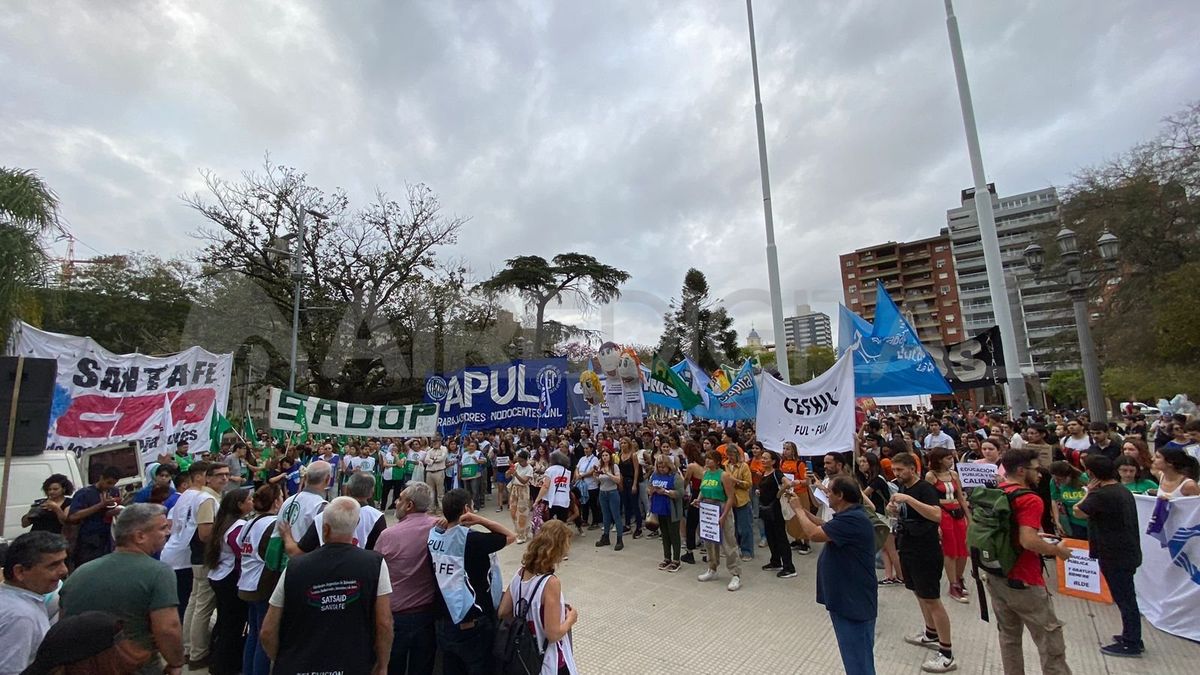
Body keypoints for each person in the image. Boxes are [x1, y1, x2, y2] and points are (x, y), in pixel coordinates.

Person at [261, 497, 393, 675]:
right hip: (353, 664)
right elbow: (384, 623)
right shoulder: (375, 564)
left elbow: (268, 630)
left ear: (325, 528)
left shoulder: (295, 567)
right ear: (356, 525)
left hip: (299, 664)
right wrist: (383, 665)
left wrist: (283, 659)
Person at [59, 503, 183, 675]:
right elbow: (168, 628)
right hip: (133, 664)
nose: (167, 533)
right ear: (140, 536)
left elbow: (63, 622)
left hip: (82, 665)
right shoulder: (159, 572)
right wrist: (175, 663)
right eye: (162, 528)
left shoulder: (81, 572)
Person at [984, 449, 1073, 675]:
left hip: (997, 576)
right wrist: (1057, 551)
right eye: (1036, 469)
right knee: (1050, 640)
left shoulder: (995, 492)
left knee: (1009, 637)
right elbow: (1028, 540)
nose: (1040, 474)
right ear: (1022, 471)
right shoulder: (1030, 499)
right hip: (1025, 579)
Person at [790, 476, 878, 675]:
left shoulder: (853, 520)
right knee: (854, 657)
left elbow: (814, 534)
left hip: (853, 603)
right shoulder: (849, 516)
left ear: (841, 496)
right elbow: (824, 526)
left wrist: (797, 509)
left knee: (858, 662)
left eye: (829, 491)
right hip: (845, 599)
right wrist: (804, 512)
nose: (826, 494)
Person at [427, 489, 516, 674]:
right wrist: (481, 520)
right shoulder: (472, 539)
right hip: (472, 621)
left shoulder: (434, 537)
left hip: (443, 619)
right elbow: (510, 536)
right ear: (467, 509)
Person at [887, 452, 956, 673]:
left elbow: (936, 515)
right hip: (908, 545)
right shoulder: (903, 488)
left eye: (900, 470)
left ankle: (947, 653)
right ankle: (930, 632)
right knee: (919, 593)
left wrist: (908, 500)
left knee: (932, 599)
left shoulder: (924, 489)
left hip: (925, 550)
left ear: (912, 468)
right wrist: (895, 509)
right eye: (894, 471)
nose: (896, 475)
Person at [1075, 455, 1145, 658]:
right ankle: (1130, 635)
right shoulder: (1121, 490)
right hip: (1126, 551)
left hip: (1114, 554)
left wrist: (1088, 492)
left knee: (1125, 599)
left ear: (1091, 474)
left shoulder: (1102, 495)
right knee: (1126, 597)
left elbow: (1078, 511)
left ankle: (1131, 642)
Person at [373, 482, 440, 675]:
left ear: (409, 505)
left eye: (400, 498)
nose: (396, 501)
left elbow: (375, 573)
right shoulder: (438, 527)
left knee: (393, 666)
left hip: (396, 615)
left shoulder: (388, 535)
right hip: (427, 613)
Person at [497, 520, 579, 675]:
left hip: (522, 656)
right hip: (547, 660)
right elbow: (553, 633)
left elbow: (503, 611)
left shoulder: (520, 574)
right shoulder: (551, 583)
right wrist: (570, 619)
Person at [0, 532, 69, 674]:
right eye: (53, 565)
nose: (64, 570)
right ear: (20, 571)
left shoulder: (13, 601)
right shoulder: (21, 617)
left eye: (63, 562)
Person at [182, 461, 228, 669]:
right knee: (203, 606)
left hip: (199, 558)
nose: (225, 478)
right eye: (219, 475)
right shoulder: (207, 499)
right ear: (207, 477)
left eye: (227, 475)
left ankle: (189, 647)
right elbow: (205, 533)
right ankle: (198, 653)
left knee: (196, 602)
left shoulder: (206, 497)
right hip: (206, 558)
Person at [204, 488, 252, 675]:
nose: (252, 501)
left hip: (218, 575)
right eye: (249, 499)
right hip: (230, 578)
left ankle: (216, 659)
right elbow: (242, 553)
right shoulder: (237, 527)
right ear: (239, 505)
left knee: (224, 622)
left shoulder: (223, 523)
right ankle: (226, 665)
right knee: (233, 625)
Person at [237, 484, 283, 675]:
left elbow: (241, 544)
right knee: (265, 636)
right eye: (280, 497)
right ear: (275, 502)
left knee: (253, 635)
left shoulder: (250, 522)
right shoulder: (273, 524)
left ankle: (249, 670)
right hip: (262, 586)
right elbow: (272, 557)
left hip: (247, 583)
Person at [289, 471, 387, 554]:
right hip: (361, 569)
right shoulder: (376, 517)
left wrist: (286, 536)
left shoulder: (325, 514)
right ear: (371, 493)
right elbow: (380, 550)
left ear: (347, 489)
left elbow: (303, 548)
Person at [925, 448, 970, 604]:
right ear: (939, 460)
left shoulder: (954, 475)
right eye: (948, 458)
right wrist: (935, 523)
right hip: (943, 514)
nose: (951, 461)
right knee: (950, 550)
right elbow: (930, 500)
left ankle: (959, 577)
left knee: (963, 549)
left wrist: (969, 518)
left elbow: (961, 498)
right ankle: (953, 584)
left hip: (958, 512)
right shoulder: (931, 476)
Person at [694, 449, 742, 592]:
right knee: (709, 541)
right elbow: (703, 489)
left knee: (728, 542)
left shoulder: (724, 475)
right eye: (706, 458)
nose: (707, 461)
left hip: (721, 508)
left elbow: (731, 497)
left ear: (717, 461)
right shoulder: (705, 473)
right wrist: (698, 499)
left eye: (711, 459)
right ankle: (712, 568)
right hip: (707, 508)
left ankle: (735, 574)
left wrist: (723, 516)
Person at [270, 460, 331, 566]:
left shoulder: (288, 500)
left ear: (306, 477)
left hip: (282, 564)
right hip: (304, 564)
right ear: (328, 480)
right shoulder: (322, 507)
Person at [65, 466, 121, 568]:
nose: (110, 486)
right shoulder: (84, 493)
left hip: (108, 538)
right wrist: (100, 505)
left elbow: (106, 513)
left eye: (113, 484)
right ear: (101, 478)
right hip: (88, 539)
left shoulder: (113, 491)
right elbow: (73, 516)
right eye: (108, 483)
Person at [756, 450, 796, 579]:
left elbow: (788, 483)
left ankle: (789, 567)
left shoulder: (776, 473)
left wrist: (779, 494)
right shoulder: (764, 473)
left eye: (766, 458)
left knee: (780, 537)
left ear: (773, 461)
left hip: (775, 509)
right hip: (765, 508)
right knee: (770, 536)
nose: (762, 460)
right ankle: (775, 561)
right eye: (762, 458)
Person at [648, 455, 684, 571]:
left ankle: (676, 560)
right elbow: (648, 489)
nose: (661, 469)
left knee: (674, 534)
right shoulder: (654, 475)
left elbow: (680, 493)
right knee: (664, 534)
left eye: (664, 467)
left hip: (671, 509)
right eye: (659, 466)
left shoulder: (675, 476)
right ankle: (667, 557)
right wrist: (651, 490)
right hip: (659, 509)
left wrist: (666, 492)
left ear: (669, 466)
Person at [725, 444, 754, 561]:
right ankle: (734, 548)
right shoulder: (725, 465)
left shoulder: (744, 466)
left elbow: (748, 484)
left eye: (732, 455)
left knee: (744, 527)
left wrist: (736, 481)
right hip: (729, 500)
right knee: (732, 527)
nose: (730, 457)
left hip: (741, 500)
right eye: (728, 455)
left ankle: (747, 550)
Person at [1048, 461, 1088, 539]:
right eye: (1054, 479)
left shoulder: (1084, 478)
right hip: (1073, 522)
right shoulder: (1055, 482)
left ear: (1069, 476)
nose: (1057, 481)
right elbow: (1055, 501)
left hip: (1089, 521)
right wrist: (1057, 521)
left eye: (1059, 479)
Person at [536, 451, 574, 524]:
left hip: (551, 501)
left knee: (547, 524)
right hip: (564, 501)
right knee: (562, 525)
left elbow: (545, 486)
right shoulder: (567, 472)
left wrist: (537, 500)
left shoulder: (550, 470)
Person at [508, 450, 535, 544]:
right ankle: (519, 531)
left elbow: (524, 481)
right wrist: (509, 472)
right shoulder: (516, 465)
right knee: (513, 511)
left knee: (522, 513)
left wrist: (516, 474)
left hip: (523, 490)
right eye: (518, 460)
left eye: (521, 460)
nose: (519, 462)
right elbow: (508, 475)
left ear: (525, 459)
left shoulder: (529, 468)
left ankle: (522, 535)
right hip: (514, 489)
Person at [574, 442, 601, 529]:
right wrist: (577, 475)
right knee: (583, 503)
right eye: (584, 448)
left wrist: (582, 475)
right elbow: (577, 468)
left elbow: (593, 470)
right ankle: (584, 520)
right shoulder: (582, 458)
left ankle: (595, 521)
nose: (585, 450)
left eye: (587, 448)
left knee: (592, 503)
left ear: (591, 449)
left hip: (591, 484)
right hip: (581, 484)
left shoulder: (595, 459)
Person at [423, 436, 449, 513]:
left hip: (439, 471)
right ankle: (431, 508)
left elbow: (442, 458)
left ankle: (441, 509)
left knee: (440, 492)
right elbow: (426, 460)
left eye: (436, 441)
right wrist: (433, 460)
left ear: (440, 441)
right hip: (429, 471)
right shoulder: (430, 450)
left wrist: (432, 460)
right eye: (433, 441)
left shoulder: (444, 449)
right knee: (431, 492)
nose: (434, 443)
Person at [461, 440, 486, 511]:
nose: (471, 447)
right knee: (467, 492)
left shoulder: (479, 453)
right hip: (466, 474)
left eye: (473, 446)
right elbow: (461, 464)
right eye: (470, 446)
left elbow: (484, 461)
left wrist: (477, 461)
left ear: (476, 447)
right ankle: (469, 507)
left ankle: (476, 506)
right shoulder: (464, 454)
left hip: (475, 474)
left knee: (475, 491)